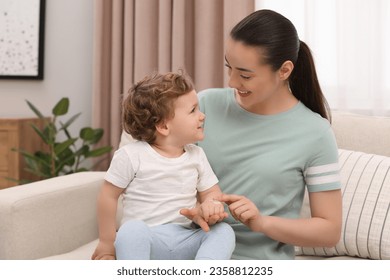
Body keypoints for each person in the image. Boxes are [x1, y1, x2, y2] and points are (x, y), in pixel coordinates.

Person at [181, 9, 342, 260]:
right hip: (186, 249)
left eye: (245, 74)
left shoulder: (315, 133)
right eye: (229, 67)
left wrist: (261, 222)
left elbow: (329, 230)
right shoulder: (204, 106)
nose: (232, 82)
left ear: (284, 70)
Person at [91, 71, 235, 260]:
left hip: (186, 238)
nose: (202, 116)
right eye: (193, 111)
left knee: (224, 231)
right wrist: (106, 243)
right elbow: (108, 196)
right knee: (131, 230)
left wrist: (211, 205)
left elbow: (211, 193)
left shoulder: (197, 155)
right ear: (164, 126)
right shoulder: (131, 155)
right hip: (148, 241)